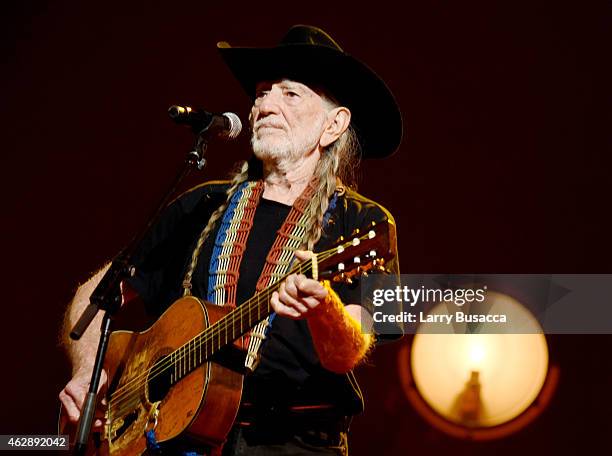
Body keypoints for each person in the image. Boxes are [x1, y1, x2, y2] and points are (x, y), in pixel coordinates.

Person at [59, 25, 402, 455]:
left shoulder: (367, 223)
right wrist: (87, 368)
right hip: (172, 438)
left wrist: (324, 309)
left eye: (289, 94)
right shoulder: (201, 205)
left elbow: (351, 349)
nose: (264, 105)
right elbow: (97, 293)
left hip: (293, 443)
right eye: (261, 92)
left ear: (334, 124)